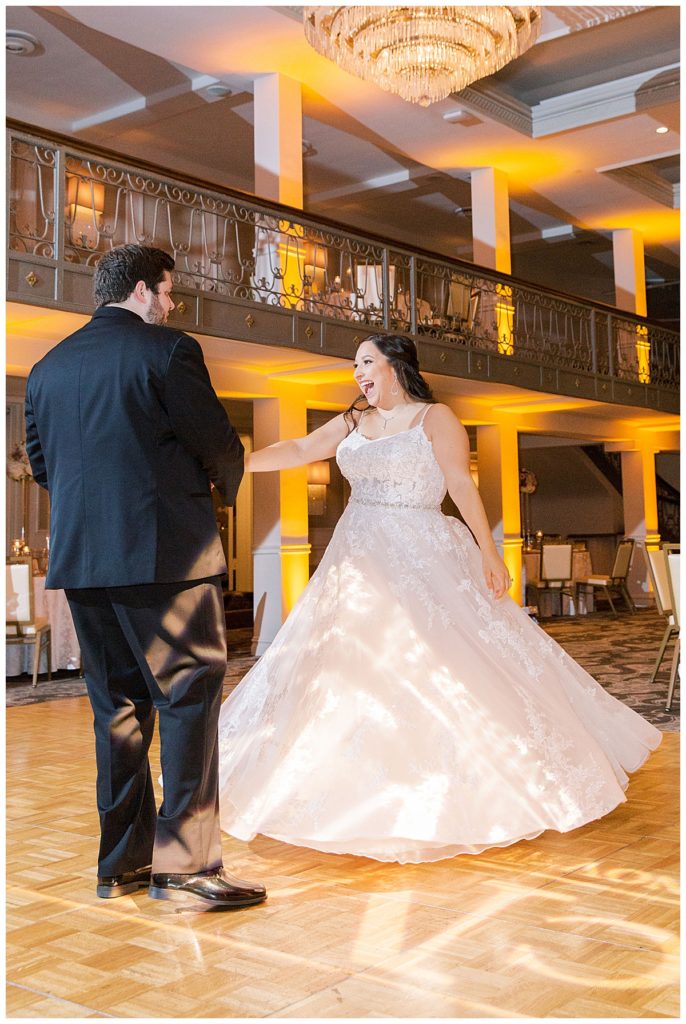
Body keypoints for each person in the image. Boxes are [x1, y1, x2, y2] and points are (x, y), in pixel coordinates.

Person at [216, 334, 661, 864]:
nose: (357, 374)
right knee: (349, 667)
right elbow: (298, 450)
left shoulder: (436, 418)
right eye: (354, 365)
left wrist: (490, 553)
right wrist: (232, 463)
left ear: (395, 365)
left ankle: (465, 784)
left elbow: (461, 486)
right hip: (357, 558)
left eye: (366, 362)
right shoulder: (355, 420)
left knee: (442, 661)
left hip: (420, 552)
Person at [25, 244, 266, 909]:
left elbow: (43, 466)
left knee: (119, 710)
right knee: (188, 699)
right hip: (168, 559)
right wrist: (215, 492)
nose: (171, 303)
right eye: (167, 290)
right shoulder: (169, 351)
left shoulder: (46, 368)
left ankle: (123, 864)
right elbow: (218, 443)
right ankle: (186, 868)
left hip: (84, 565)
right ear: (141, 290)